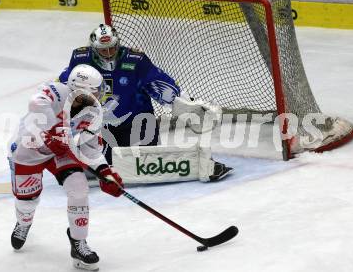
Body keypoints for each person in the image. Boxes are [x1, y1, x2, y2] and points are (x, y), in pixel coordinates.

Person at [58, 24, 233, 183]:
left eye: (112, 48)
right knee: (97, 167)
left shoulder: (135, 60)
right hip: (101, 126)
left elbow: (159, 83)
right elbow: (65, 85)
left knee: (146, 165)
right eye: (104, 50)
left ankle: (199, 164)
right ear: (94, 49)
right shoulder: (81, 59)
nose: (109, 53)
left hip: (138, 122)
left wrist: (185, 103)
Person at [8, 64, 123, 271]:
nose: (100, 95)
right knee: (27, 201)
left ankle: (78, 245)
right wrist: (51, 131)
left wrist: (106, 173)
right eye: (96, 90)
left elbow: (90, 150)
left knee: (79, 190)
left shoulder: (93, 111)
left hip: (60, 153)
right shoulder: (57, 91)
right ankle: (24, 222)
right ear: (81, 89)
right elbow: (36, 102)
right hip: (29, 150)